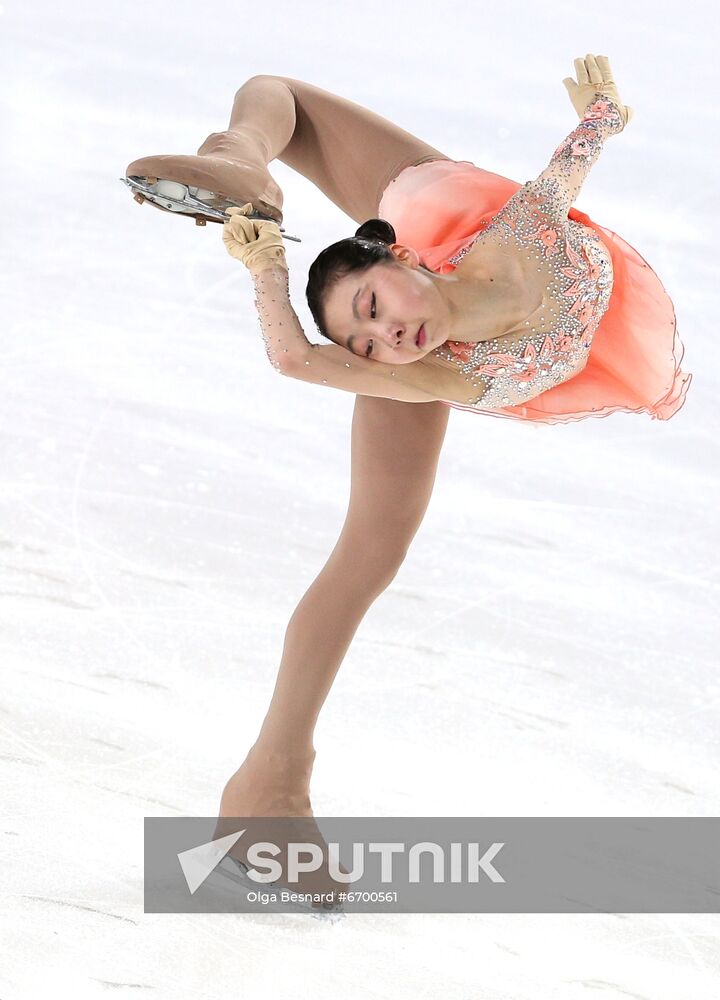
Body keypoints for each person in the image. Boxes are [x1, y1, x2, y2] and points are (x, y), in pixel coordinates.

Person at [124, 57, 691, 826]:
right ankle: (272, 788)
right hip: (440, 329)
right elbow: (296, 356)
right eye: (362, 345)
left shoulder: (518, 232)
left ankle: (265, 792)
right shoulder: (425, 367)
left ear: (396, 259)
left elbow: (569, 168)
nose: (382, 333)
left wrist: (603, 114)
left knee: (294, 98)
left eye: (370, 308)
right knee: (370, 554)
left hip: (448, 229)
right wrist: (266, 263)